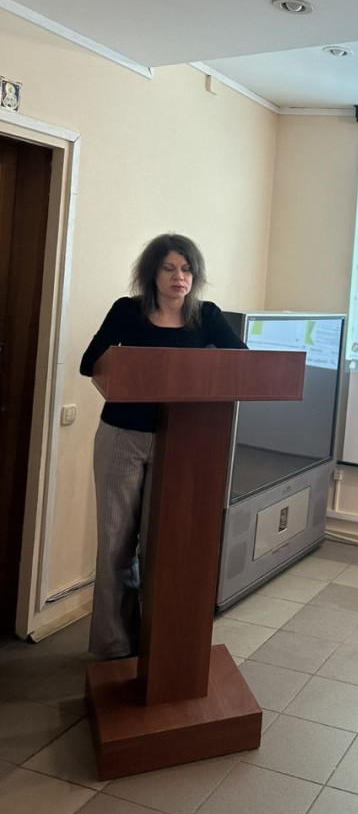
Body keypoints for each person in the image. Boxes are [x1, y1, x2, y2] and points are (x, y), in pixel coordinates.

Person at [80, 233, 247, 659]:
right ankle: (115, 647)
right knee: (116, 543)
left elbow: (242, 364)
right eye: (169, 268)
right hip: (122, 436)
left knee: (165, 544)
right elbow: (90, 362)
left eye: (187, 269)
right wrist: (134, 370)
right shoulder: (127, 311)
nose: (179, 277)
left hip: (181, 444)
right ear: (152, 273)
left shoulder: (206, 316)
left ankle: (160, 646)